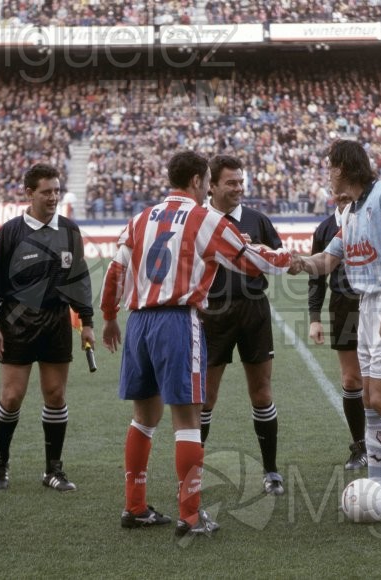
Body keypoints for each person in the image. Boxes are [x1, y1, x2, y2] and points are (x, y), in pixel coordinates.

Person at [100, 151, 291, 537]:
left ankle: (134, 506)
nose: (208, 188)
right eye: (207, 181)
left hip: (138, 322)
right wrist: (293, 260)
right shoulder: (205, 219)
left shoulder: (139, 219)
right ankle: (190, 516)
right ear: (198, 181)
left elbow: (115, 271)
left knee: (143, 419)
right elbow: (251, 259)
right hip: (177, 320)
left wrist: (108, 318)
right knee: (187, 421)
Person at [290, 139, 381, 521]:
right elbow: (327, 260)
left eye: (331, 167)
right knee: (370, 399)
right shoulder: (352, 211)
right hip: (368, 304)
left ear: (346, 167)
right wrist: (293, 263)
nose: (327, 174)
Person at [0, 163, 95, 493]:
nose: (53, 197)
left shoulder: (69, 231)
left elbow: (79, 280)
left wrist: (86, 322)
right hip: (17, 322)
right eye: (46, 192)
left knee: (56, 395)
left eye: (56, 191)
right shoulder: (10, 232)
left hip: (57, 321)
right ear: (29, 193)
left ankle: (53, 470)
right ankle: (0, 463)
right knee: (12, 396)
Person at [308, 196, 381, 472]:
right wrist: (314, 318)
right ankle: (360, 447)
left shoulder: (372, 219)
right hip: (343, 306)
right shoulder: (325, 229)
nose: (344, 196)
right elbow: (317, 277)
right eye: (339, 191)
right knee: (351, 378)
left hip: (379, 302)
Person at [198, 154, 285, 495]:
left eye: (240, 182)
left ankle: (272, 471)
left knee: (261, 391)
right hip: (211, 314)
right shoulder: (200, 221)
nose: (238, 188)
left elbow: (276, 257)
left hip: (253, 311)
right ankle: (193, 473)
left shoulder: (256, 220)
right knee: (205, 397)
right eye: (230, 182)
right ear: (213, 186)